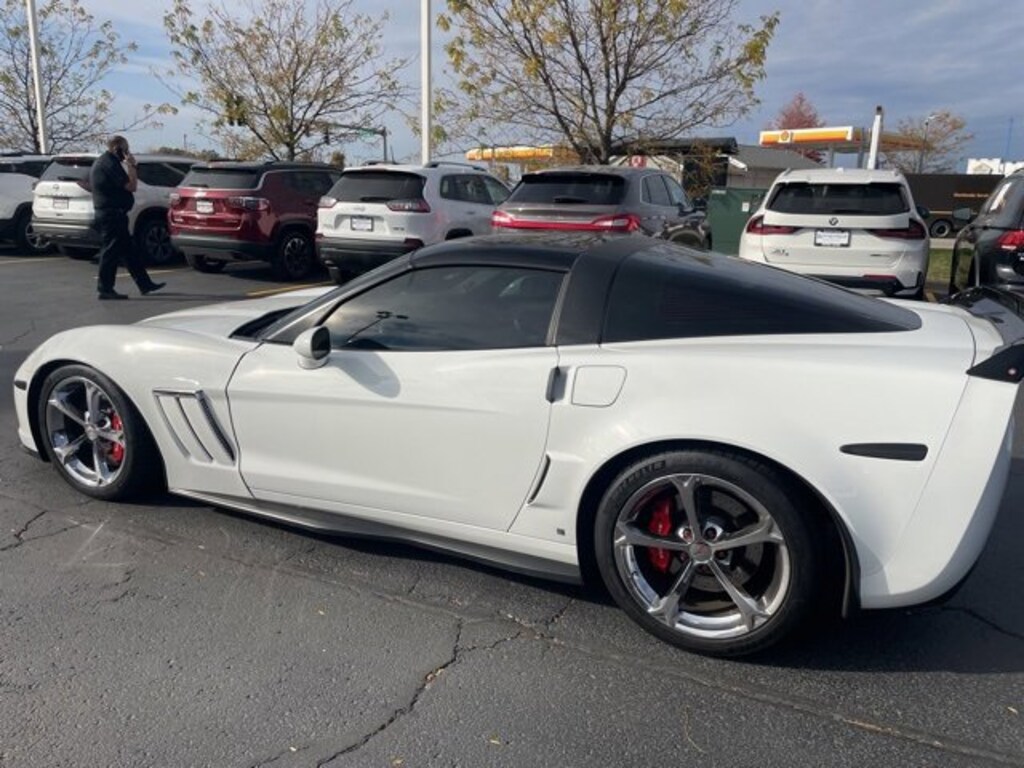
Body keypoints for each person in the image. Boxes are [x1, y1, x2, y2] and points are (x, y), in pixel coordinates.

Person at [90, 135, 165, 300]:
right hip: (111, 215)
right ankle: (105, 289)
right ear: (117, 149)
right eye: (125, 149)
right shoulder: (109, 163)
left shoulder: (104, 161)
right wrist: (131, 165)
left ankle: (145, 284)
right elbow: (131, 186)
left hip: (114, 214)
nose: (127, 152)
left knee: (129, 251)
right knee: (110, 252)